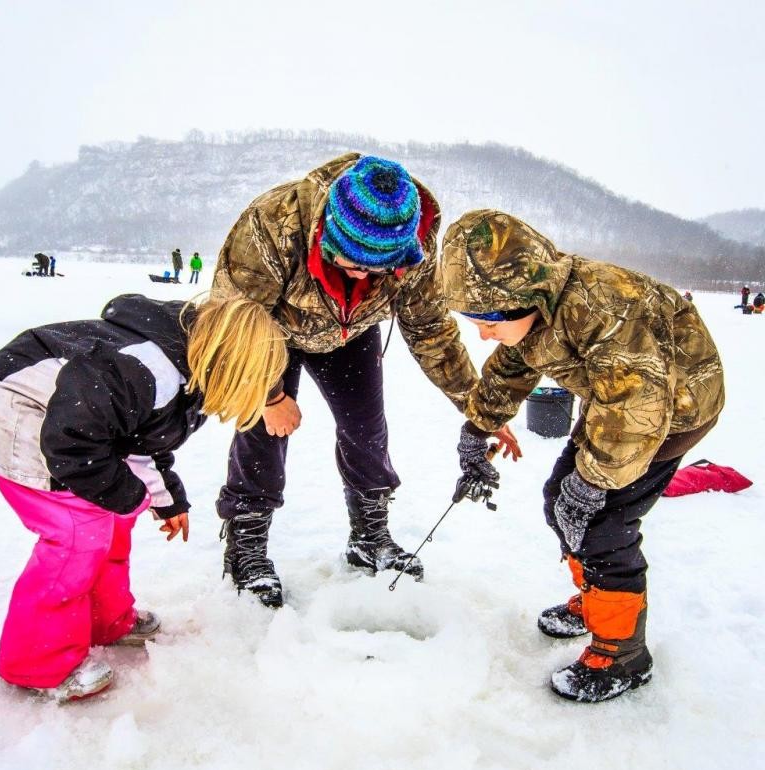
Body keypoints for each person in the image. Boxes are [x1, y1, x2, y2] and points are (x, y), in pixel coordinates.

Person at [441, 210, 725, 702]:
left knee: (602, 525)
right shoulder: (533, 312)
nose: (482, 333)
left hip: (670, 414)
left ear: (523, 298)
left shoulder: (605, 307)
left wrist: (593, 482)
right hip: (613, 404)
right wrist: (476, 429)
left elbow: (637, 407)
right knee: (561, 498)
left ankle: (623, 652)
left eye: (487, 321)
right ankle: (598, 597)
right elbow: (510, 370)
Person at [0, 293, 287, 702]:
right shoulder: (149, 370)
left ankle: (107, 620)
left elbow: (141, 440)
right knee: (80, 533)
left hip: (74, 430)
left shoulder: (184, 367)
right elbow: (72, 444)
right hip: (17, 418)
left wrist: (164, 500)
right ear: (231, 368)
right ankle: (36, 664)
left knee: (115, 517)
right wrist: (132, 494)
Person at [212, 153, 484, 608]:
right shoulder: (271, 226)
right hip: (268, 333)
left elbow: (431, 329)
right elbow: (230, 322)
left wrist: (477, 406)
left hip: (350, 332)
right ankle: (246, 546)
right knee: (262, 431)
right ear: (327, 232)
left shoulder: (410, 243)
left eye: (377, 269)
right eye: (353, 263)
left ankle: (370, 537)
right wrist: (269, 394)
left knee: (366, 429)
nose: (362, 275)